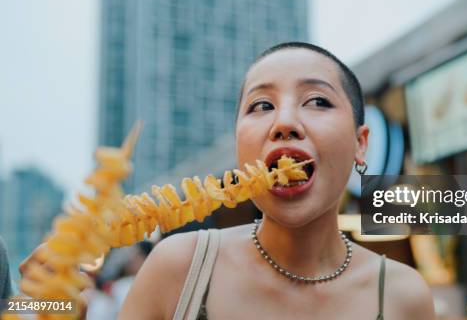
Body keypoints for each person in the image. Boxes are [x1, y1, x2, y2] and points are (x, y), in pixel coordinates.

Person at [119, 42, 435, 319]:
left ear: (360, 143)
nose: (284, 122)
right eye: (262, 106)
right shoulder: (177, 267)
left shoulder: (404, 296)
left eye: (317, 101)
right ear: (238, 145)